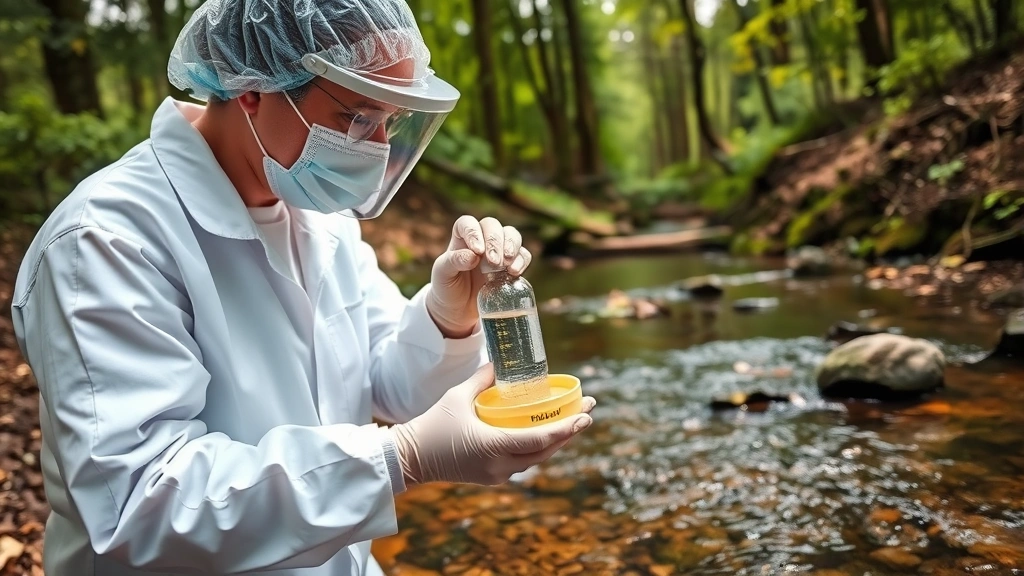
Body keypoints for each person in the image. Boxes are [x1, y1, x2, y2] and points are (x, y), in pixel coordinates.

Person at [9, 1, 596, 574]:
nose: (378, 147)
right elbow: (139, 507)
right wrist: (400, 459)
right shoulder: (108, 240)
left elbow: (390, 387)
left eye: (390, 122)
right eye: (357, 118)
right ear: (253, 91)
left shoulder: (318, 218)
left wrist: (450, 316)